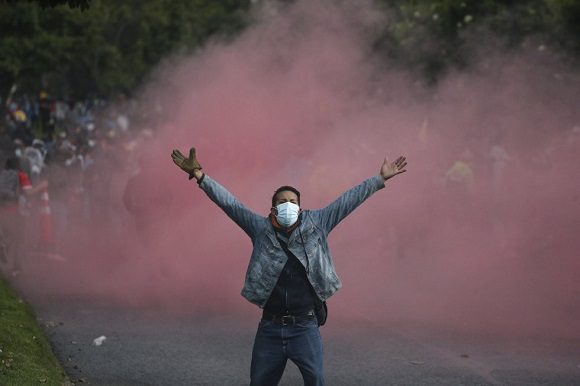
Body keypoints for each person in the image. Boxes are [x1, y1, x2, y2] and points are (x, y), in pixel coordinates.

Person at [171, 147, 407, 386]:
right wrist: (200, 175)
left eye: (293, 202)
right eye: (282, 202)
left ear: (300, 207)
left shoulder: (318, 223)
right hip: (270, 328)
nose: (288, 205)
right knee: (260, 381)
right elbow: (230, 204)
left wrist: (379, 179)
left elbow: (348, 200)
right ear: (273, 208)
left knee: (315, 380)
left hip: (305, 326)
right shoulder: (260, 229)